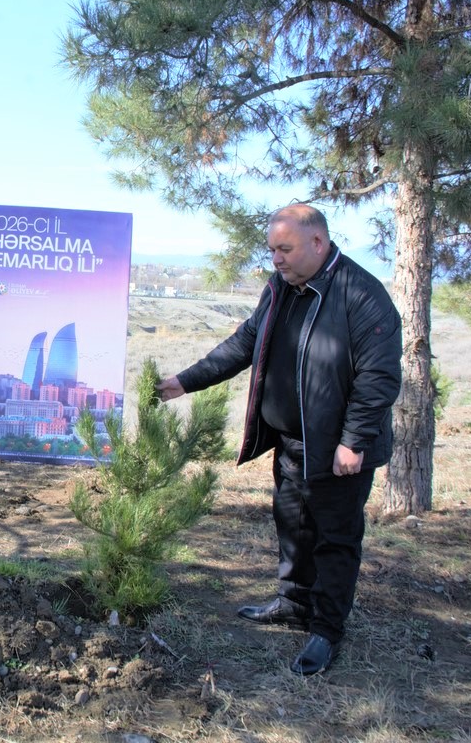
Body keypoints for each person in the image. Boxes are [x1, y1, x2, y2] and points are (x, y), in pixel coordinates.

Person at [156, 204, 401, 675]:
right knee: (293, 527)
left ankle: (326, 631)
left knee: (335, 540)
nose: (276, 259)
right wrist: (186, 381)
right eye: (272, 250)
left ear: (318, 243)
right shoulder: (280, 288)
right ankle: (293, 603)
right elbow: (244, 343)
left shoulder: (361, 294)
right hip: (291, 442)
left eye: (284, 249)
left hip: (337, 448)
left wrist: (354, 440)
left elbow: (379, 377)